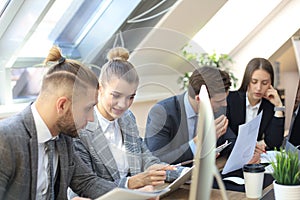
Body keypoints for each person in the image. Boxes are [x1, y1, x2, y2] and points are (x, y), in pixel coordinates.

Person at [0, 46, 120, 200]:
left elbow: (87, 182)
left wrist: (136, 195)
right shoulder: (5, 140)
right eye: (87, 109)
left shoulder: (63, 137)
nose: (91, 118)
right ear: (62, 105)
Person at [70, 47, 183, 197]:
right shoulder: (80, 129)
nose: (123, 104)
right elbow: (88, 186)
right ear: (100, 88)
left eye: (130, 97)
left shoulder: (127, 118)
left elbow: (146, 158)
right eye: (116, 95)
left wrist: (182, 173)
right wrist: (132, 183)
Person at [144, 66, 236, 166]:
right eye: (219, 101)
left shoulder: (216, 109)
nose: (225, 104)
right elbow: (157, 160)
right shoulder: (162, 113)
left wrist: (247, 150)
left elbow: (230, 141)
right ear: (199, 99)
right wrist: (197, 142)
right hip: (173, 179)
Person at [226, 57, 285, 153]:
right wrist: (251, 147)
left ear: (270, 84)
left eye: (264, 83)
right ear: (247, 80)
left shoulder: (270, 105)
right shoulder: (230, 100)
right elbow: (225, 138)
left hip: (256, 158)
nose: (258, 88)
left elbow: (274, 143)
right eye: (254, 82)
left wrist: (278, 106)